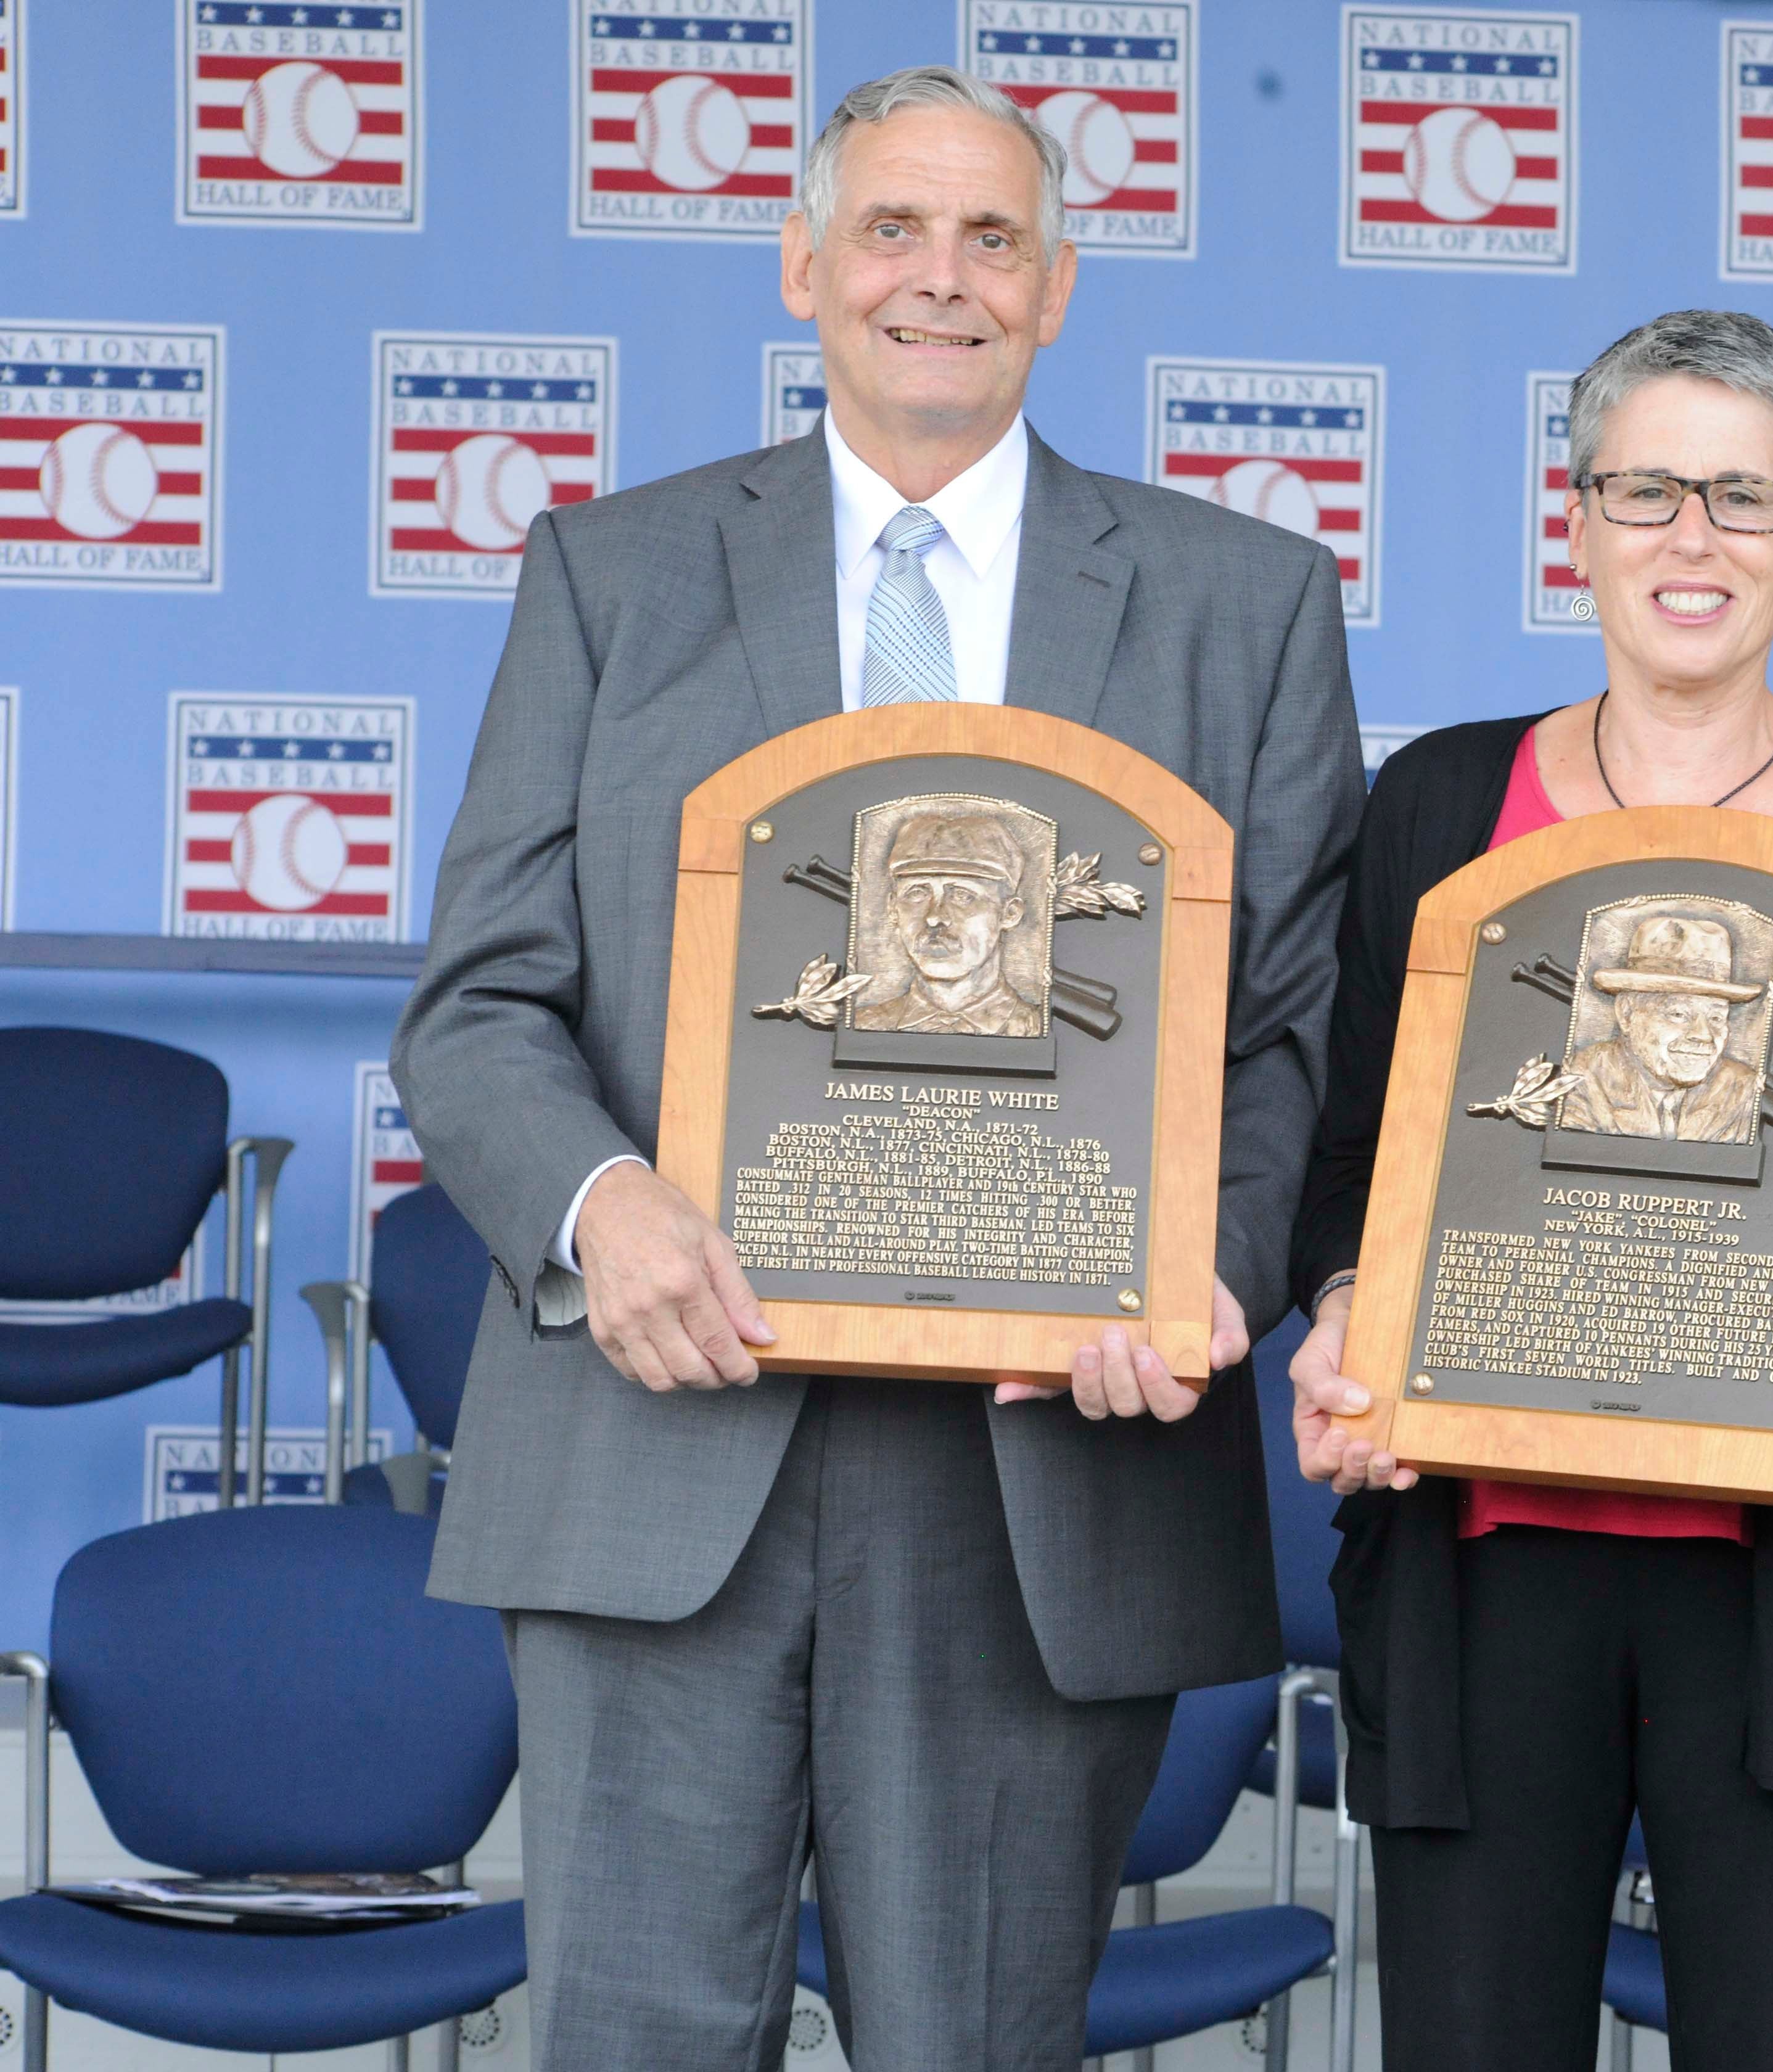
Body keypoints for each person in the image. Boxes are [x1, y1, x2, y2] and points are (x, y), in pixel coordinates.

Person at [392, 65, 1361, 2071]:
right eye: (895, 232)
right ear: (804, 265)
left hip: (1034, 1477)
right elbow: (479, 1000)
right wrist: (600, 1204)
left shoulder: (1240, 605)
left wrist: (1212, 1275)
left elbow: (1292, 1033)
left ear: (1062, 287)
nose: (943, 279)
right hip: (662, 1437)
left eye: (993, 238)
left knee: (977, 2047)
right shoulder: (611, 571)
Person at [1280, 308, 1773, 2072]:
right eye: (1648, 492)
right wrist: (1340, 1331)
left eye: (1745, 499)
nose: (1694, 539)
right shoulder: (1443, 803)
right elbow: (1349, 1170)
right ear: (1578, 520)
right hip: (1481, 1562)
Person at [1556, 911, 1769, 1140]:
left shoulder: (1739, 1088)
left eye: (1717, 1018)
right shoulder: (1580, 1082)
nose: (1704, 1036)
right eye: (1678, 1014)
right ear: (1627, 1013)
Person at [850, 804, 1053, 1037]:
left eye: (962, 896)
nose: (935, 917)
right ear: (893, 908)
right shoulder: (865, 1026)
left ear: (1010, 913)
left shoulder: (1036, 1029)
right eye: (917, 893)